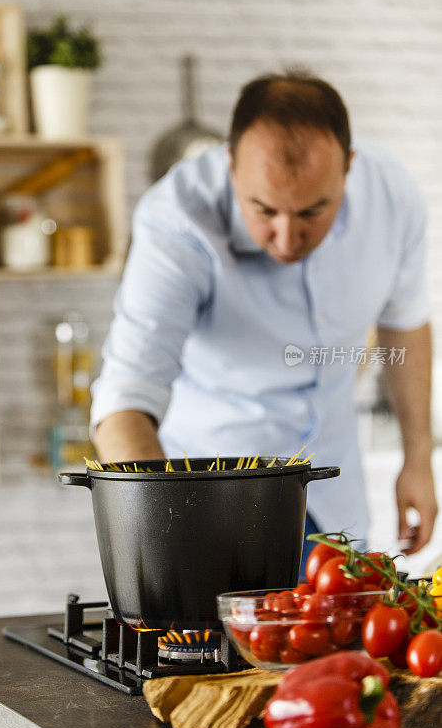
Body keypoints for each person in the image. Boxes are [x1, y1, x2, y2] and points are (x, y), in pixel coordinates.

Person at [90, 70, 437, 573]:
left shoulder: (392, 195)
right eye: (264, 209)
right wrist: (170, 539)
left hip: (336, 501)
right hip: (211, 513)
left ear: (348, 169)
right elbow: (125, 400)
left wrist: (418, 459)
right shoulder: (176, 220)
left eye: (314, 211)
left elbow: (406, 323)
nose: (287, 237)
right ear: (231, 167)